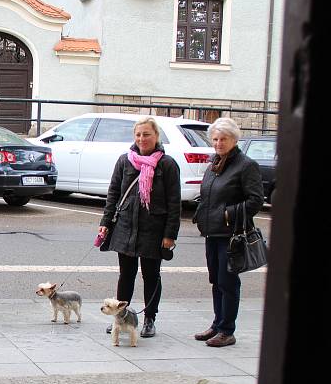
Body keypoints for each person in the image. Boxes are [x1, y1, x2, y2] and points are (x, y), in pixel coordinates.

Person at [98, 117, 181, 338]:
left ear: (156, 136)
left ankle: (149, 319)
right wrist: (105, 223)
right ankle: (120, 317)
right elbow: (113, 193)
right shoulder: (125, 161)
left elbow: (175, 203)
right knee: (126, 274)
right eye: (138, 134)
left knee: (151, 275)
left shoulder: (167, 164)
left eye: (147, 134)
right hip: (126, 226)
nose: (142, 139)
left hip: (154, 229)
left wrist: (170, 234)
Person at [193, 117, 263, 347]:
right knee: (216, 280)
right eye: (215, 139)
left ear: (234, 140)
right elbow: (208, 193)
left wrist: (227, 214)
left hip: (231, 234)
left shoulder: (245, 165)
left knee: (228, 281)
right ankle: (217, 324)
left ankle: (227, 330)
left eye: (223, 139)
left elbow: (255, 200)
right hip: (212, 232)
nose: (218, 143)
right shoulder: (215, 162)